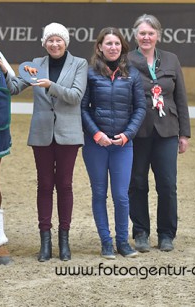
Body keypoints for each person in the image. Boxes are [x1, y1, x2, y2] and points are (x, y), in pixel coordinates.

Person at [4, 22, 87, 261]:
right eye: (50, 40)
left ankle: (64, 240)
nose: (54, 43)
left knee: (65, 184)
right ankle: (45, 241)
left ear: (65, 42)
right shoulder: (35, 65)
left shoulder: (79, 64)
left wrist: (51, 86)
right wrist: (5, 70)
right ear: (44, 43)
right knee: (44, 185)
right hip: (41, 133)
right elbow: (13, 88)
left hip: (68, 134)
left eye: (58, 39)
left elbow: (75, 96)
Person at [81, 27, 146, 260]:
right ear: (99, 47)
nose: (113, 48)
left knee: (121, 195)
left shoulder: (133, 74)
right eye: (108, 43)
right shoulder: (89, 74)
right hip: (95, 144)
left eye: (117, 44)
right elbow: (82, 108)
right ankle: (106, 242)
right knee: (99, 193)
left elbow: (140, 107)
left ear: (123, 47)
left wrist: (128, 134)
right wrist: (96, 133)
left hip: (122, 145)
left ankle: (122, 241)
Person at [128, 14, 191, 253]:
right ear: (135, 35)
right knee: (136, 183)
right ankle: (141, 232)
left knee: (167, 184)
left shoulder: (171, 60)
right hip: (137, 131)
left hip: (167, 131)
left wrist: (184, 133)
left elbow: (181, 98)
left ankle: (166, 234)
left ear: (157, 35)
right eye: (142, 33)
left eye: (150, 33)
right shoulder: (127, 60)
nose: (146, 37)